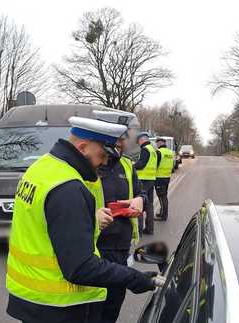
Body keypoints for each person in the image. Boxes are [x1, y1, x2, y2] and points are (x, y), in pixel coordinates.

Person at [6, 116, 158, 323]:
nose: (104, 162)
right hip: (59, 305)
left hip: (31, 298)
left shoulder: (42, 167)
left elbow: (46, 227)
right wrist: (133, 278)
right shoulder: (68, 187)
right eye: (102, 155)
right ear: (83, 147)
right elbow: (80, 267)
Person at [96, 130, 146, 323]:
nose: (121, 142)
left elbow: (141, 192)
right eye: (116, 138)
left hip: (121, 248)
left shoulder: (126, 164)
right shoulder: (90, 166)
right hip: (97, 248)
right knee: (94, 308)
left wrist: (140, 200)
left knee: (113, 306)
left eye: (123, 138)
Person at [133, 132, 160, 235]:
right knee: (149, 205)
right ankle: (150, 229)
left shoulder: (145, 150)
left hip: (143, 181)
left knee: (139, 203)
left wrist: (132, 165)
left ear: (142, 139)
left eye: (138, 141)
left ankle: (139, 230)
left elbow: (141, 164)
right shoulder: (153, 150)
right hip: (151, 180)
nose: (138, 143)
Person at [154, 137, 174, 221]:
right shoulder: (170, 152)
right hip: (167, 177)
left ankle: (163, 215)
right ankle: (162, 212)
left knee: (162, 197)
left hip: (159, 177)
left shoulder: (159, 152)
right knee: (164, 195)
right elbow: (172, 165)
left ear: (159, 143)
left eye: (157, 143)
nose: (156, 145)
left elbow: (155, 165)